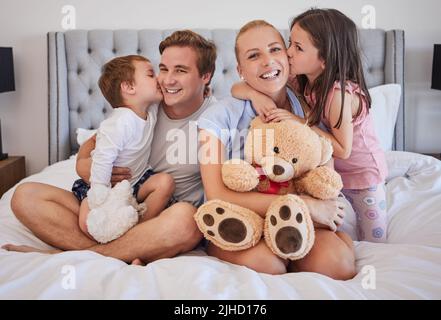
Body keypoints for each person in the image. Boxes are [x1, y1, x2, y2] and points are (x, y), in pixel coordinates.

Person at [3, 30, 217, 264]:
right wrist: (82, 165)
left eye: (181, 70)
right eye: (163, 69)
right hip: (113, 198)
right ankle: (123, 250)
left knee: (187, 220)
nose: (166, 80)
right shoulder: (146, 105)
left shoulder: (218, 117)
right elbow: (95, 144)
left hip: (157, 213)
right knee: (24, 196)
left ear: (205, 77)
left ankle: (74, 255)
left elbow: (246, 95)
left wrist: (253, 94)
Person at [197, 20, 356, 279]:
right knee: (267, 266)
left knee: (336, 266)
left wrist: (314, 207)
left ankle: (329, 246)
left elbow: (325, 181)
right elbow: (215, 194)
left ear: (288, 57)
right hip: (242, 218)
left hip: (301, 219)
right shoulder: (217, 117)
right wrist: (299, 203)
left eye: (274, 50)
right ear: (240, 69)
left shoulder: (307, 108)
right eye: (253, 56)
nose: (267, 61)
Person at [233, 9, 388, 243]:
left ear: (323, 59)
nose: (287, 52)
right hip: (332, 174)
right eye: (289, 43)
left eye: (298, 47)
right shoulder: (303, 80)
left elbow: (343, 149)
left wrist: (300, 122)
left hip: (362, 175)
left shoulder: (338, 95)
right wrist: (257, 97)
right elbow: (236, 87)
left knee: (374, 239)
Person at [73, 55, 175, 241]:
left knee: (165, 182)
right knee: (86, 221)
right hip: (104, 185)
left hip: (136, 181)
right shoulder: (120, 122)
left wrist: (203, 90)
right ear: (129, 87)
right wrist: (100, 192)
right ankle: (110, 239)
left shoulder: (151, 109)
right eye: (151, 74)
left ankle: (136, 230)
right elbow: (103, 158)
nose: (159, 79)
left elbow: (177, 93)